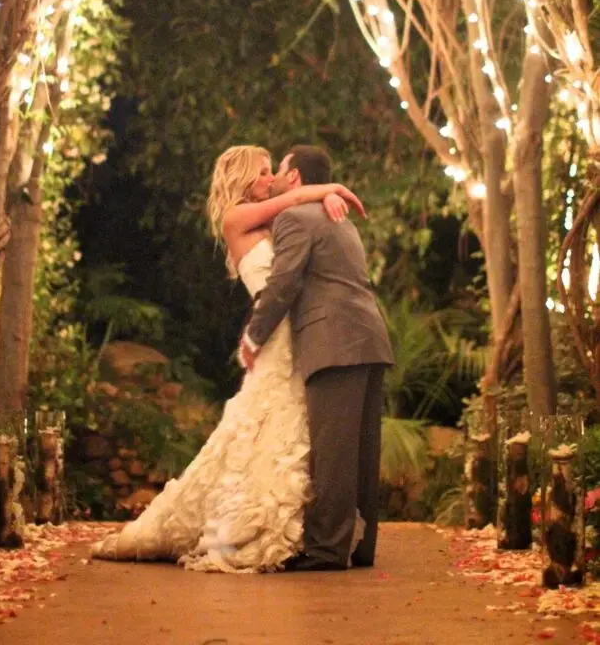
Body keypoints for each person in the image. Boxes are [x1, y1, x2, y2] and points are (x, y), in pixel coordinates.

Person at [91, 144, 364, 572]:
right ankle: (243, 530)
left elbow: (303, 224)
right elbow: (294, 199)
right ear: (239, 179)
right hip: (273, 339)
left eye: (272, 171)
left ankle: (312, 533)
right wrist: (329, 188)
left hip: (299, 335)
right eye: (261, 172)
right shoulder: (235, 218)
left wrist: (323, 198)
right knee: (263, 429)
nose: (268, 178)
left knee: (297, 435)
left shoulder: (277, 218)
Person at [240, 145, 394, 572]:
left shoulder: (295, 217)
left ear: (293, 178)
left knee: (333, 451)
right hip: (369, 336)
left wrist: (254, 335)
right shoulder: (338, 216)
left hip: (332, 342)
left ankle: (327, 549)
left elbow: (284, 282)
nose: (272, 176)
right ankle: (361, 547)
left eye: (280, 168)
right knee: (362, 452)